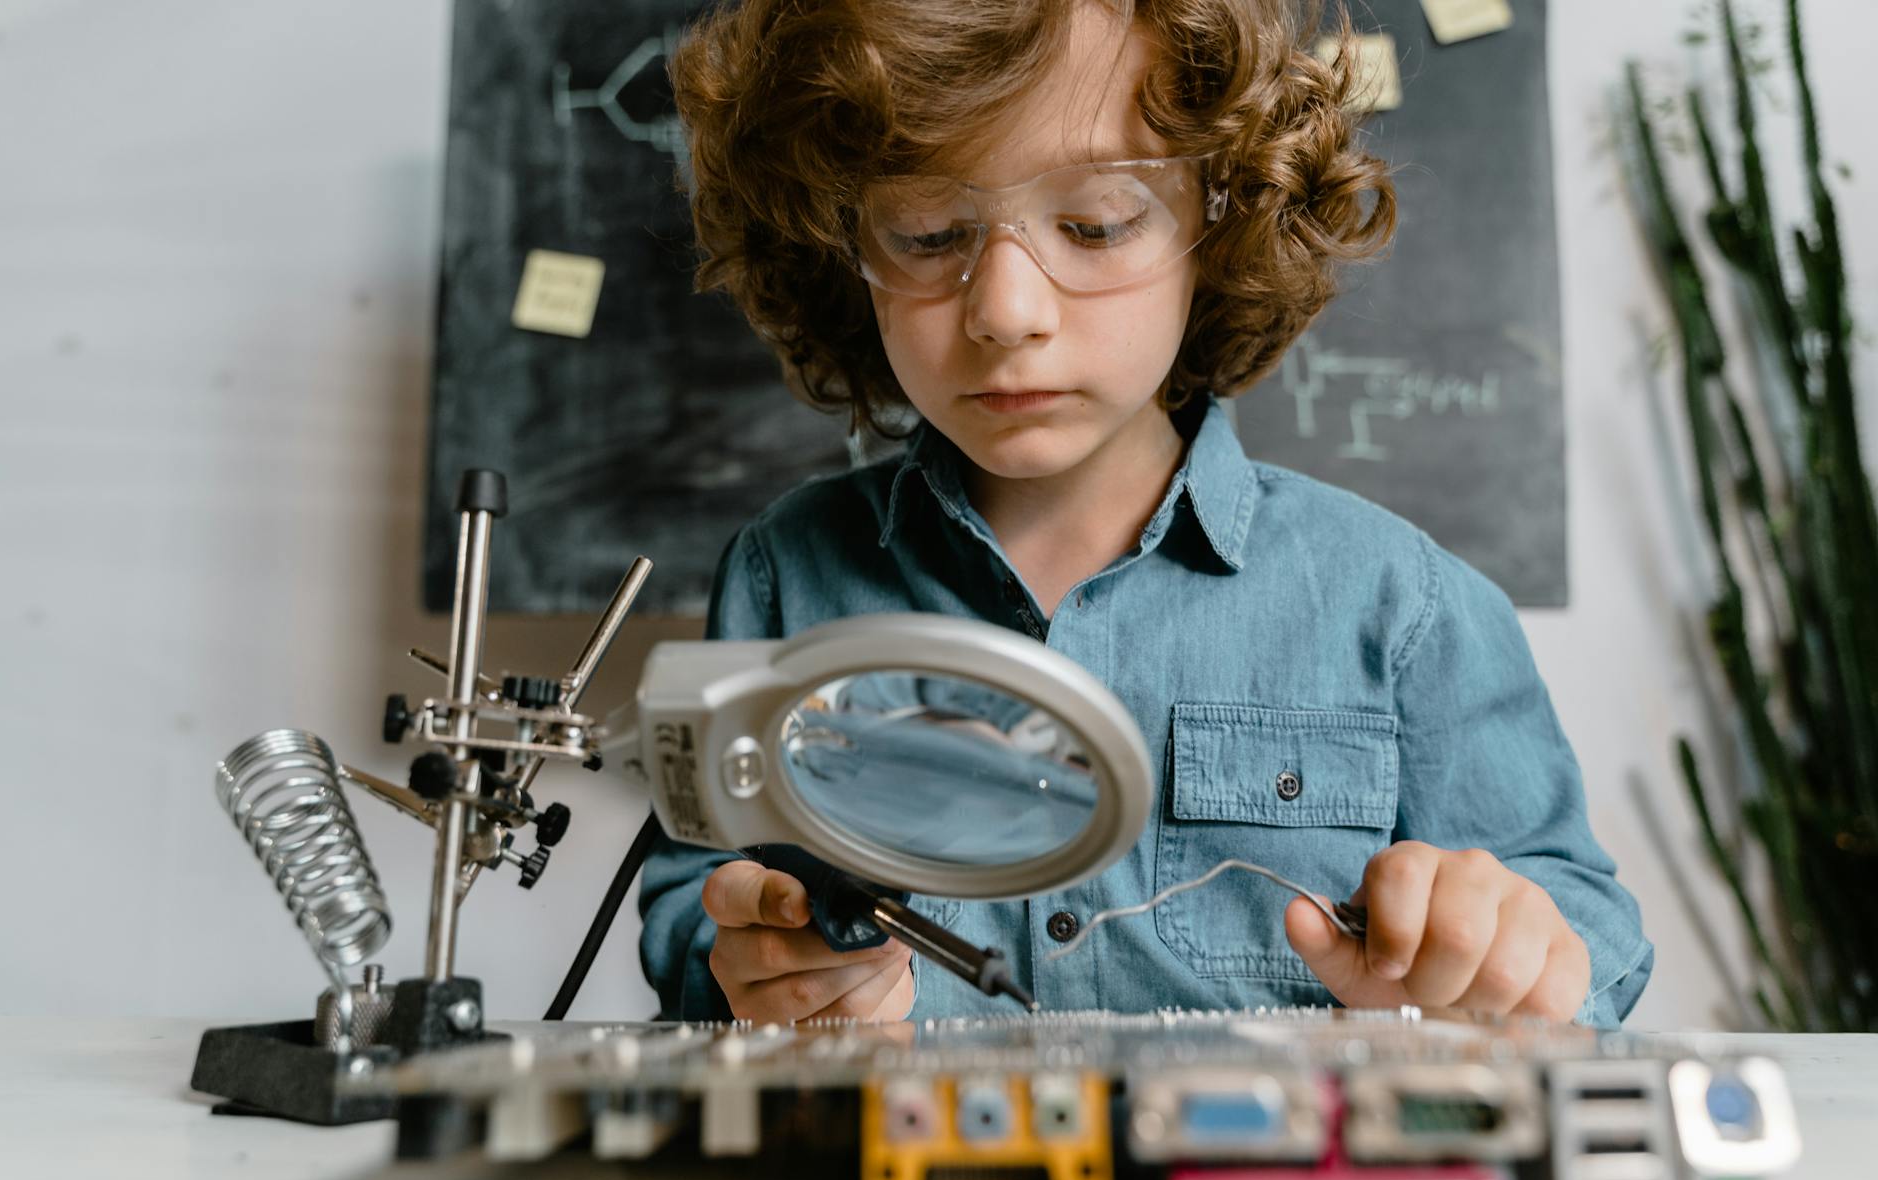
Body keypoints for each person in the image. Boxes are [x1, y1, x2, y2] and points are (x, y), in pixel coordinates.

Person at [637, 0, 1653, 1028]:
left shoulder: (1401, 606)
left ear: (1220, 220)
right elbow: (694, 901)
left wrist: (1509, 954)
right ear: (840, 243)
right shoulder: (783, 574)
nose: (1004, 311)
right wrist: (759, 962)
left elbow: (1589, 935)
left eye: (1093, 224)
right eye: (927, 232)